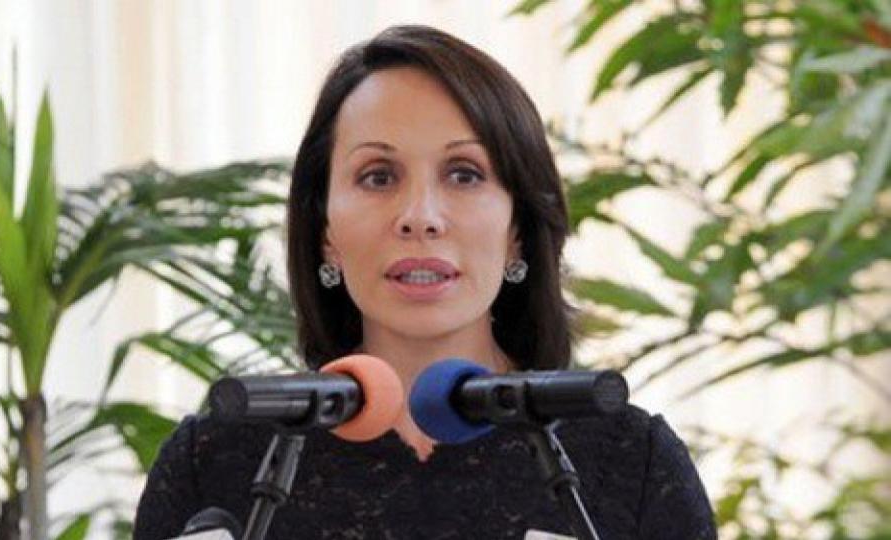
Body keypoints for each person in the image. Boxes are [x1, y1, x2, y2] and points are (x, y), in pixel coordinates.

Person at [133, 25, 717, 540]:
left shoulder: (632, 462)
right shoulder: (213, 463)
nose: (420, 216)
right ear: (325, 232)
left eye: (464, 174)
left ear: (518, 230)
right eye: (378, 176)